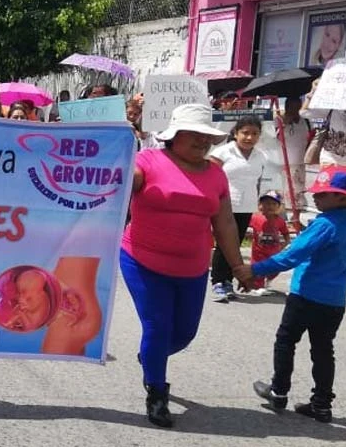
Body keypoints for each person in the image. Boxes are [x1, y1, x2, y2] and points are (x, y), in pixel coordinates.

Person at [120, 104, 247, 428]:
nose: (203, 141)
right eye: (195, 135)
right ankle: (157, 392)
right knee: (158, 325)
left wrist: (237, 265)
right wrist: (118, 158)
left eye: (207, 136)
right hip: (142, 260)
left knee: (184, 334)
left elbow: (226, 223)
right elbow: (126, 182)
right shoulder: (149, 160)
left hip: (192, 268)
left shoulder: (215, 173)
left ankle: (151, 357)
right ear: (174, 135)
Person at [237, 167, 346, 423]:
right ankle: (322, 405)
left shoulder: (325, 225)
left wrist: (254, 269)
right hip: (334, 300)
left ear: (343, 198)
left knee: (286, 341)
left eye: (324, 193)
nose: (316, 197)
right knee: (323, 350)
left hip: (306, 295)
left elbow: (292, 256)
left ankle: (278, 391)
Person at [208, 116, 266, 302]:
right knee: (224, 243)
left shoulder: (261, 156)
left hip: (247, 205)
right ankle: (217, 281)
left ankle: (228, 281)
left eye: (254, 134)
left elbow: (257, 182)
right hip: (225, 204)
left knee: (236, 243)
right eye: (245, 133)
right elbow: (209, 177)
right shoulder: (223, 152)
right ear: (235, 133)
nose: (249, 137)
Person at [249, 190, 291, 295]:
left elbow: (285, 233)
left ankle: (269, 280)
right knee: (258, 268)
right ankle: (257, 286)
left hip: (274, 251)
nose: (270, 206)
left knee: (275, 268)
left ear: (278, 207)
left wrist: (286, 243)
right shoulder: (255, 218)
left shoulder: (280, 221)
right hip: (258, 251)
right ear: (260, 205)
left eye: (274, 204)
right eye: (267, 203)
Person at [278, 97, 311, 225]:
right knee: (280, 192)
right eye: (290, 106)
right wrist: (285, 123)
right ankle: (280, 219)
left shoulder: (305, 121)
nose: (293, 109)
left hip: (299, 162)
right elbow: (273, 138)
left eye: (296, 106)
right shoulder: (278, 120)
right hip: (281, 162)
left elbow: (309, 138)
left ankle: (296, 219)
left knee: (297, 192)